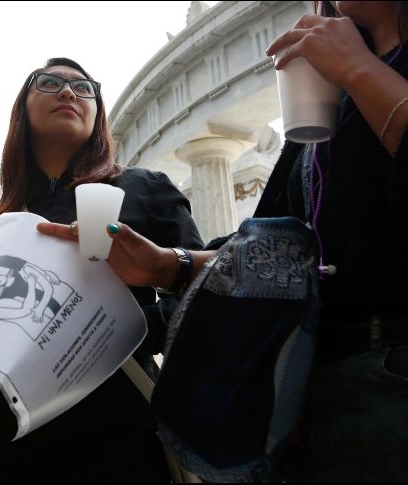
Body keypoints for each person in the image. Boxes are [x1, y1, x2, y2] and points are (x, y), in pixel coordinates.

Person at [40, 2, 408, 481]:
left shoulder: (352, 70)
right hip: (319, 397)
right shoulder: (329, 95)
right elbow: (286, 252)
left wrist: (357, 68)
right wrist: (169, 265)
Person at [0, 57, 202, 482]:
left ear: (97, 113)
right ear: (23, 108)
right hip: (4, 435)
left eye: (84, 88)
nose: (68, 91)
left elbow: (203, 292)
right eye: (49, 83)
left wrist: (119, 328)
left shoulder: (145, 189)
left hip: (118, 427)